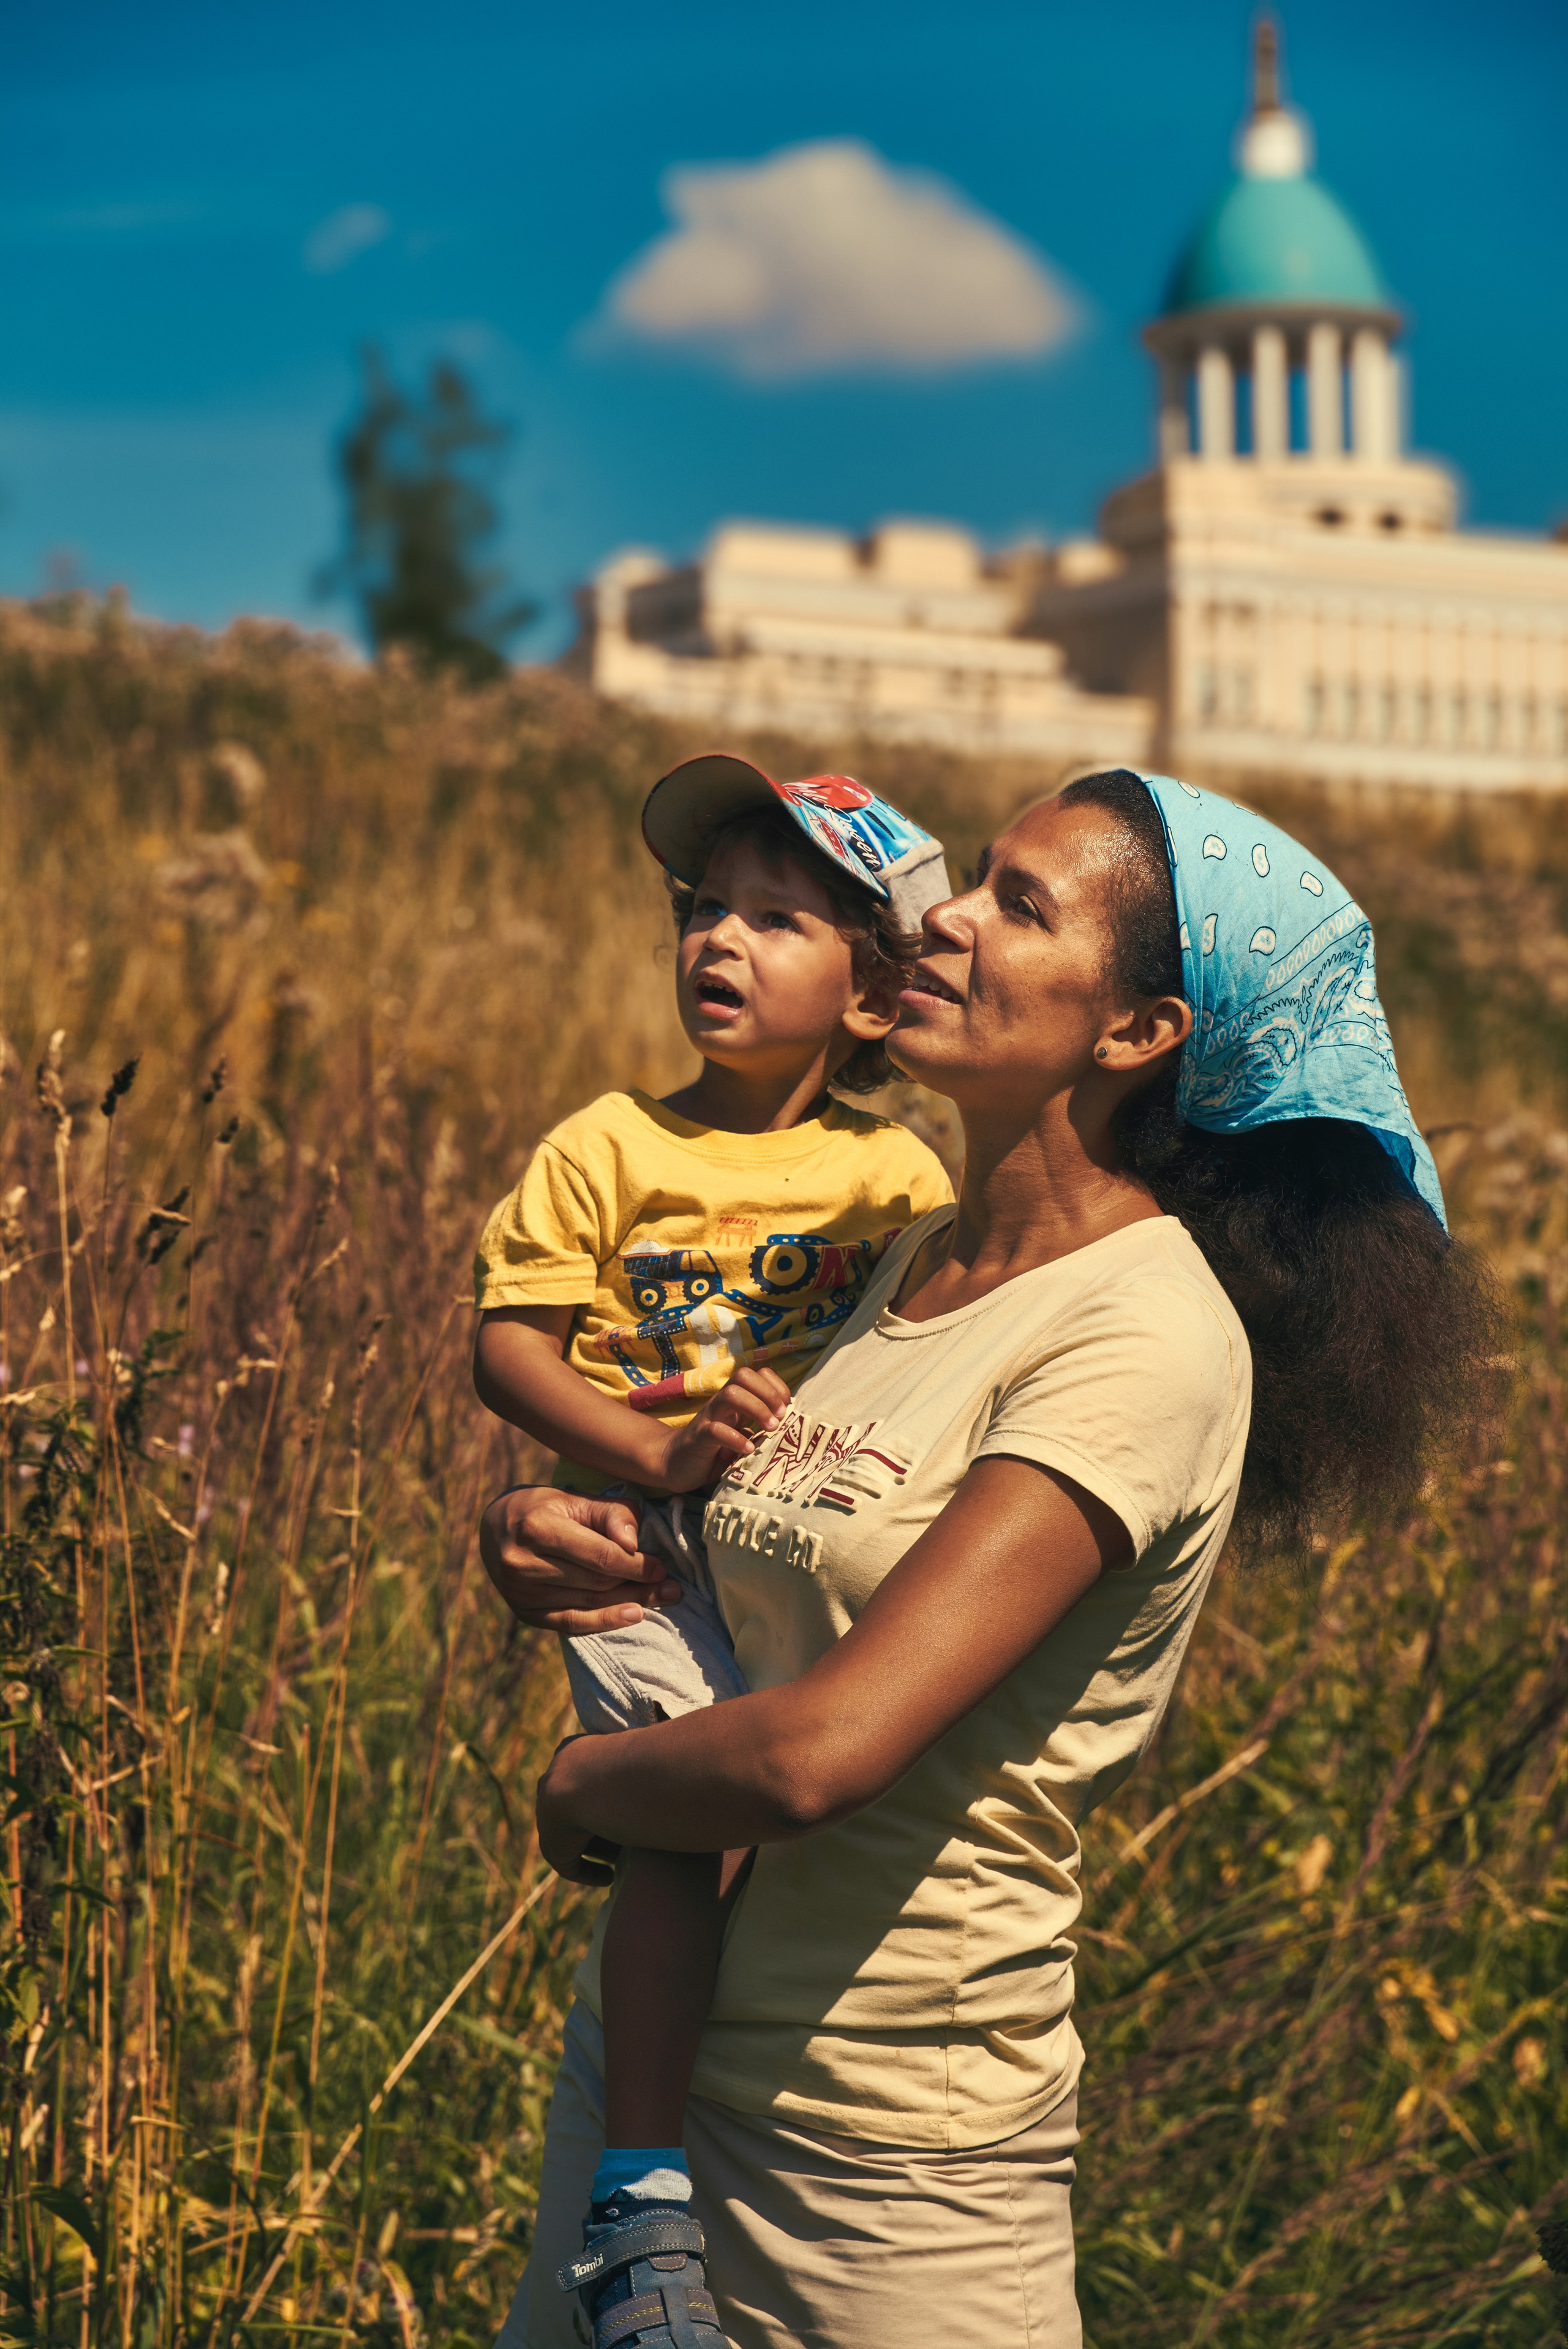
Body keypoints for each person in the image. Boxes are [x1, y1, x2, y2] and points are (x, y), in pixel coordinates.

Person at [483, 768, 1501, 2349]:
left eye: (1018, 905)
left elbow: (818, 1753)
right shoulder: (903, 1261)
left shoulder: (1142, 1339)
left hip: (884, 2159)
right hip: (650, 2096)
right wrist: (562, 1536)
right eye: (973, 881)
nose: (943, 916)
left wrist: (576, 1786)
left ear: (1138, 1031)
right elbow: (762, 1579)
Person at [470, 752, 954, 2341]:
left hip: (801, 1534)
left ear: (872, 990)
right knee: (685, 1822)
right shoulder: (605, 1144)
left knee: (795, 1810)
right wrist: (647, 1456)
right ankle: (641, 2186)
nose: (719, 941)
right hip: (637, 1544)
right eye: (702, 910)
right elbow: (510, 1346)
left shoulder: (897, 1179)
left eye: (777, 918)